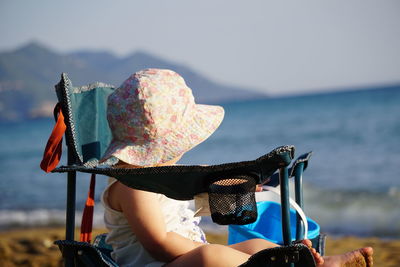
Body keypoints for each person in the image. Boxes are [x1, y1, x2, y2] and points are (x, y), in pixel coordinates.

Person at [100, 68, 373, 267]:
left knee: (261, 246)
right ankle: (284, 265)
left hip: (185, 258)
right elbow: (159, 245)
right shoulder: (133, 185)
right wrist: (211, 252)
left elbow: (197, 203)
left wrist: (232, 187)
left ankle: (314, 265)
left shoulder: (162, 175)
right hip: (157, 264)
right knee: (213, 256)